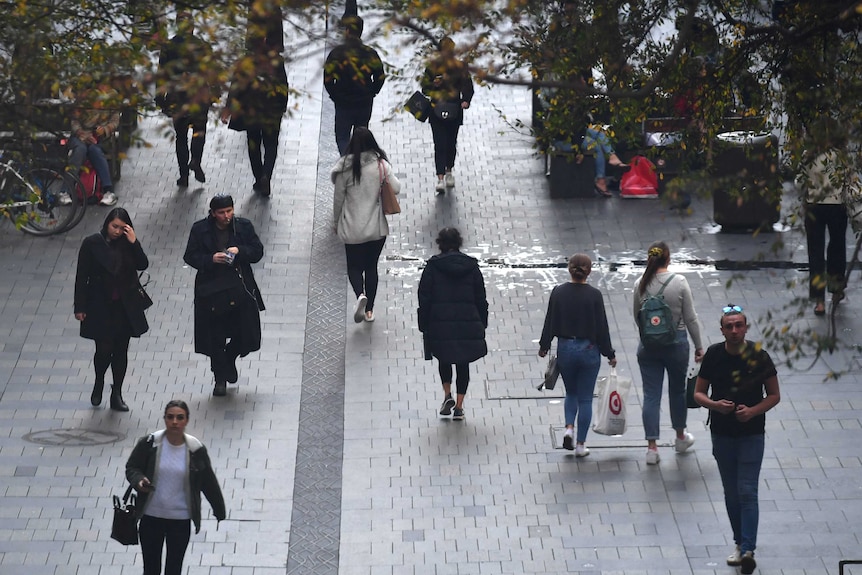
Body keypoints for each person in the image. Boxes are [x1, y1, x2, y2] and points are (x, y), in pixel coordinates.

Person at [693, 305, 780, 575]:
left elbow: (774, 394)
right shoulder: (714, 355)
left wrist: (752, 411)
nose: (734, 330)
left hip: (752, 433)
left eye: (738, 325)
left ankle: (748, 549)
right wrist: (716, 406)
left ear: (746, 328)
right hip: (722, 433)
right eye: (729, 326)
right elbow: (698, 393)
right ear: (722, 330)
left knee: (747, 490)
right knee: (731, 492)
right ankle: (739, 543)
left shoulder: (759, 356)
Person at [126, 399, 226, 575]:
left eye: (180, 417)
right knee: (150, 569)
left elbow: (208, 481)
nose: (175, 422)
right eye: (170, 417)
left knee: (174, 569)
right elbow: (132, 467)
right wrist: (139, 480)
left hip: (180, 520)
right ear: (164, 419)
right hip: (151, 518)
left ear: (186, 420)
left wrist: (219, 509)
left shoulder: (195, 450)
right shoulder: (150, 443)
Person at [183, 195, 265, 396]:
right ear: (212, 213)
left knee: (246, 331)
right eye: (221, 212)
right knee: (215, 336)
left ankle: (229, 359)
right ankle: (219, 378)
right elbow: (190, 256)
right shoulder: (200, 229)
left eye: (229, 211)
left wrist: (239, 251)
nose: (226, 216)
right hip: (211, 290)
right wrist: (211, 259)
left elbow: (257, 251)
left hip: (239, 287)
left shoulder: (243, 227)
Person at [633, 241, 704, 464]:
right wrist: (699, 346)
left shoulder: (640, 284)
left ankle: (652, 448)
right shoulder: (679, 282)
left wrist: (650, 335)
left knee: (651, 395)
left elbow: (637, 316)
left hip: (649, 347)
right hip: (677, 344)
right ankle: (680, 436)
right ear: (668, 258)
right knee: (677, 391)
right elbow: (690, 318)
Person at [539, 253, 617, 455]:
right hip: (589, 350)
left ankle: (568, 428)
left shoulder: (558, 292)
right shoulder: (594, 295)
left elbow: (550, 320)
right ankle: (581, 445)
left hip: (566, 348)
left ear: (569, 269)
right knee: (585, 399)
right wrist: (609, 354)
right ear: (589, 271)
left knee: (571, 393)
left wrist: (544, 344)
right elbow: (602, 328)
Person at [74, 208, 149, 412]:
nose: (117, 231)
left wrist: (134, 242)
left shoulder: (128, 244)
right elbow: (82, 276)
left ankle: (117, 392)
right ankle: (99, 380)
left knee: (121, 351)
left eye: (121, 227)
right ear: (107, 224)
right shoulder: (92, 244)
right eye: (114, 226)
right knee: (104, 349)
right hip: (100, 305)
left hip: (125, 306)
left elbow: (143, 263)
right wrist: (79, 306)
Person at [331, 126, 400, 323]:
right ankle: (369, 311)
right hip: (376, 228)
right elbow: (396, 188)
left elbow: (338, 201)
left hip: (352, 227)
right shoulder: (380, 165)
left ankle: (360, 294)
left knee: (353, 267)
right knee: (371, 267)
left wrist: (337, 223)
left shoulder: (344, 169)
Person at [418, 227, 488, 420]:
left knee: (444, 358)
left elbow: (424, 297)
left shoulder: (432, 267)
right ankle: (459, 406)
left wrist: (424, 323)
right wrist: (482, 322)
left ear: (440, 243)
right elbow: (480, 297)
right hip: (467, 321)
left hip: (439, 322)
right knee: (463, 363)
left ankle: (447, 393)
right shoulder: (471, 267)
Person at [799, 118, 855, 316]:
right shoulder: (841, 157)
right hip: (837, 206)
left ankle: (819, 301)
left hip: (814, 207)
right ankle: (836, 290)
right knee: (837, 249)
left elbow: (801, 182)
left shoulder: (809, 156)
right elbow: (850, 181)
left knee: (815, 254)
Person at [222, 33, 289, 197]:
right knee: (271, 145)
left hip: (250, 111)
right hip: (271, 111)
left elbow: (235, 87)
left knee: (253, 145)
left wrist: (228, 108)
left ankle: (258, 178)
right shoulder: (276, 61)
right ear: (264, 40)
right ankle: (267, 175)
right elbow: (283, 85)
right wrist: (282, 107)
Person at [157, 11, 216, 187]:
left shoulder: (168, 46)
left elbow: (162, 74)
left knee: (180, 137)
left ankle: (183, 176)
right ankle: (196, 159)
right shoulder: (202, 45)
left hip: (178, 96)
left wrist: (161, 98)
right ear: (192, 26)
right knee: (199, 131)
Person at [323, 15, 386, 156]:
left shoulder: (337, 53)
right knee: (361, 135)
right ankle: (359, 162)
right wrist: (372, 91)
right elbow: (380, 76)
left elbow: (327, 79)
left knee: (342, 136)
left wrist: (335, 95)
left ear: (347, 31)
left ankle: (347, 160)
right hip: (363, 102)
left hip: (343, 103)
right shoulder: (370, 53)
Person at [421, 36, 474, 194]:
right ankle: (440, 177)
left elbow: (467, 85)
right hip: (436, 108)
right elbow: (425, 88)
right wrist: (434, 85)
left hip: (454, 108)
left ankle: (449, 170)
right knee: (439, 143)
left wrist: (465, 100)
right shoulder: (432, 68)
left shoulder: (460, 67)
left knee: (451, 142)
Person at [68, 81, 120, 206]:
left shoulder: (111, 97)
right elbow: (74, 121)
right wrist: (81, 133)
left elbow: (115, 120)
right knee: (80, 149)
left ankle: (108, 190)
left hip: (98, 136)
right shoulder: (83, 99)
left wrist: (105, 129)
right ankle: (66, 189)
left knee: (94, 150)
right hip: (80, 135)